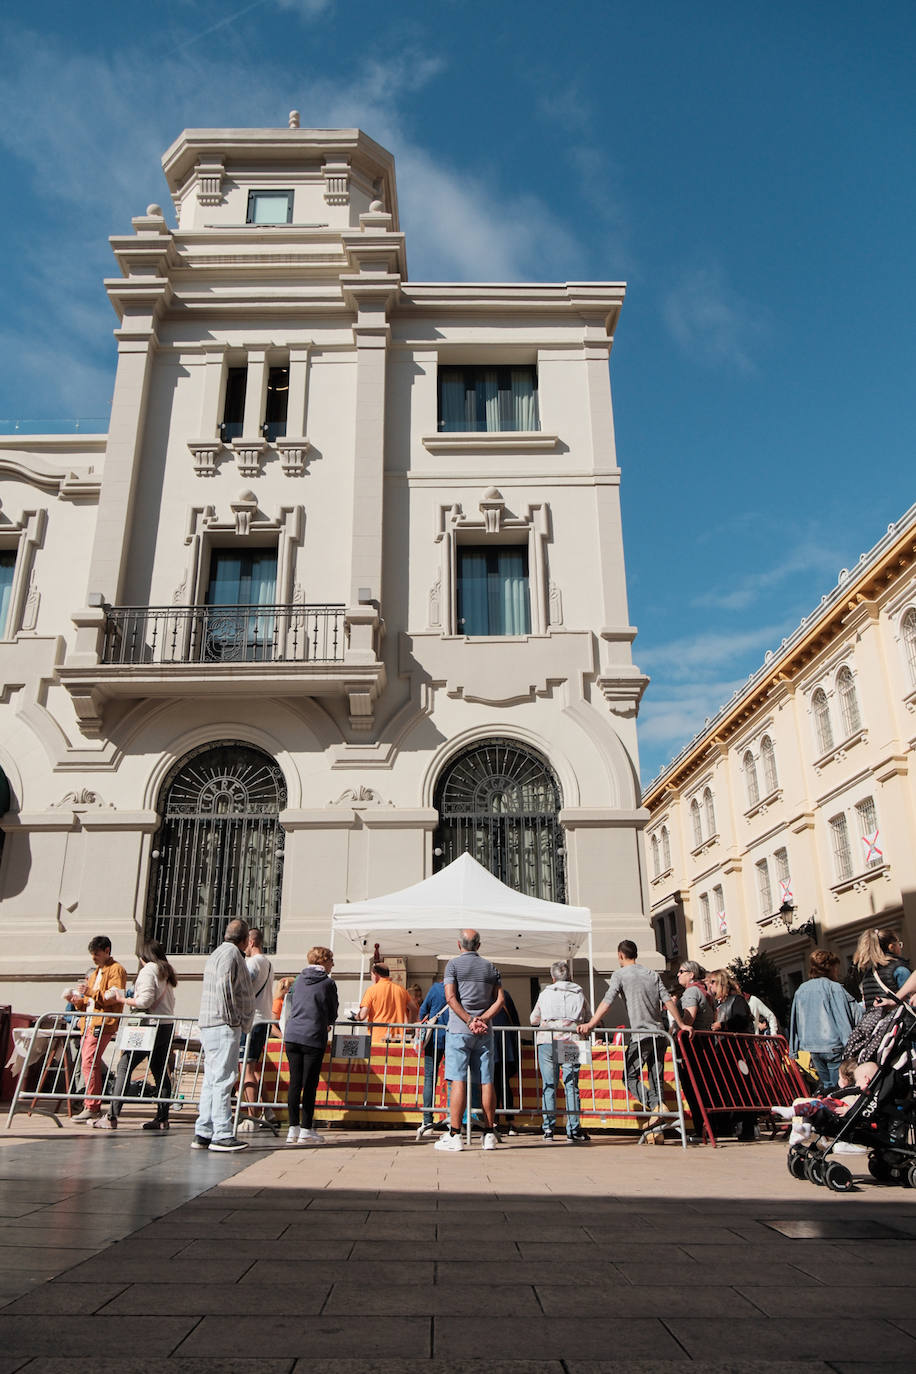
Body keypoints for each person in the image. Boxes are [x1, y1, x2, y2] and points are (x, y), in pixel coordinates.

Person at [578, 940, 692, 1144]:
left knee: (629, 1077)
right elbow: (667, 1001)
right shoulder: (651, 974)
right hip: (659, 1034)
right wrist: (681, 1024)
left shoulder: (620, 975)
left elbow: (608, 1001)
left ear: (620, 955)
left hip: (640, 1035)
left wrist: (592, 1023)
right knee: (656, 1080)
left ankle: (657, 1108)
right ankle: (657, 1133)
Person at [96, 939, 177, 1131]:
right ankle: (163, 1118)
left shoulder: (149, 970)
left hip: (147, 1026)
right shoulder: (166, 971)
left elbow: (145, 1000)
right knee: (159, 1070)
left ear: (143, 956)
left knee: (124, 1066)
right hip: (165, 1025)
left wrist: (123, 999)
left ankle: (112, 1116)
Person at [435, 929, 505, 1153]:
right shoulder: (490, 967)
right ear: (479, 945)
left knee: (458, 1079)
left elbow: (450, 997)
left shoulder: (453, 966)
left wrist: (468, 1020)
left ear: (459, 944)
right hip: (484, 1031)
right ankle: (488, 1133)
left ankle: (455, 1134)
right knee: (486, 1080)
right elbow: (500, 999)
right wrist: (482, 1019)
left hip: (459, 1029)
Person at [193, 918, 255, 1152]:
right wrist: (234, 1020)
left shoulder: (217, 953)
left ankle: (204, 1131)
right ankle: (222, 1133)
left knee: (211, 1079)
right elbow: (225, 988)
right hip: (223, 1025)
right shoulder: (231, 955)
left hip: (212, 1024)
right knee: (223, 1079)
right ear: (246, 939)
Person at [530, 960, 591, 1143]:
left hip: (547, 1040)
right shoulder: (578, 992)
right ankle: (573, 1128)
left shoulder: (545, 993)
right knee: (571, 1085)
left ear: (553, 976)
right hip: (571, 1040)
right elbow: (588, 1017)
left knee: (550, 1084)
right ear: (569, 976)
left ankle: (548, 1128)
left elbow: (534, 1018)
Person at [283, 945, 338, 1146]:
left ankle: (292, 1128)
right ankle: (306, 1128)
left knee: (295, 1083)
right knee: (310, 1084)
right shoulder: (327, 983)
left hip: (293, 1034)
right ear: (323, 961)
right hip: (313, 1035)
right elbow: (332, 1010)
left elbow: (290, 1004)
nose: (333, 964)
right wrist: (327, 1022)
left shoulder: (298, 981)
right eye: (331, 960)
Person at [69, 936, 127, 1124]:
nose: (93, 957)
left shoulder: (116, 970)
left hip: (102, 1023)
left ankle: (92, 1106)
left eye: (97, 954)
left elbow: (113, 996)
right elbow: (90, 1001)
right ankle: (91, 1104)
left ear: (107, 951)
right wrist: (78, 1002)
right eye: (92, 954)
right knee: (88, 1062)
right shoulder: (96, 973)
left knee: (89, 1061)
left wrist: (90, 993)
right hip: (91, 1023)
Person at [789, 948, 862, 1094]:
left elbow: (794, 1020)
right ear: (831, 968)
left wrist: (794, 1050)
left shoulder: (801, 990)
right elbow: (853, 1014)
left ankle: (828, 1111)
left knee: (827, 1086)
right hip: (833, 1045)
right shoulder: (834, 988)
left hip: (812, 1047)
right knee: (839, 1087)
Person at [240, 928, 276, 1132]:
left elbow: (243, 989)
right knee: (252, 1069)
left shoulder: (252, 963)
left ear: (251, 942)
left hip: (251, 1021)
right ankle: (268, 1109)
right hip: (263, 1020)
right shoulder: (268, 963)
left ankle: (253, 1117)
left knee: (246, 1070)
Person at [415, 976, 448, 1141]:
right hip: (453, 1038)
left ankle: (427, 1121)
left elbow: (423, 1011)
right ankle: (453, 1120)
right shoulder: (459, 989)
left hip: (434, 1038)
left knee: (429, 1079)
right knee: (453, 1080)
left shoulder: (436, 988)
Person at [852, 928, 910, 1009]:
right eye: (899, 944)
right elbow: (912, 1000)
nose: (901, 948)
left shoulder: (868, 975)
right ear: (891, 947)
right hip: (903, 1020)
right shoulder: (899, 969)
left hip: (880, 1021)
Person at [358, 963, 414, 1043]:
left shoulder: (371, 990)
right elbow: (414, 1009)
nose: (371, 978)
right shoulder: (401, 990)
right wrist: (409, 1026)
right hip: (397, 1037)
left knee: (377, 1056)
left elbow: (362, 1015)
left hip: (378, 1038)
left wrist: (356, 1016)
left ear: (376, 975)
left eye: (371, 975)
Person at [492, 987, 522, 1135]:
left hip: (491, 1044)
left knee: (493, 1083)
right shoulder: (505, 994)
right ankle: (509, 1120)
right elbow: (515, 1020)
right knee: (503, 1083)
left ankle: (495, 1120)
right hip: (504, 1044)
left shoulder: (482, 995)